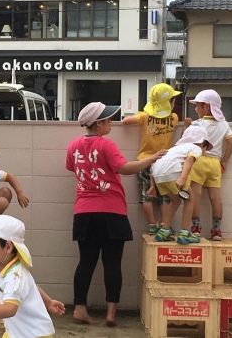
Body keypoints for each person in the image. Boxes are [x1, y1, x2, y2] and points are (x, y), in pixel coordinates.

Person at [66, 102, 167, 326]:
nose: (112, 124)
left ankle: (79, 309)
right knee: (112, 264)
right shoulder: (106, 145)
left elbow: (71, 168)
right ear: (98, 123)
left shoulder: (73, 145)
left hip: (84, 212)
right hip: (112, 211)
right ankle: (111, 313)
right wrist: (151, 159)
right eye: (109, 120)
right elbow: (124, 168)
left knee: (86, 262)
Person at [123, 84, 186, 235]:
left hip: (145, 160)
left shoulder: (145, 117)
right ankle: (165, 223)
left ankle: (152, 223)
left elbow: (125, 121)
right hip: (166, 162)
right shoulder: (174, 118)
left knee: (146, 195)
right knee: (165, 196)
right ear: (168, 103)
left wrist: (142, 113)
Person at [148, 126, 212, 244]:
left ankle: (164, 231)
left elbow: (154, 164)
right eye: (206, 147)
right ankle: (184, 233)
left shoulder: (175, 149)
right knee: (190, 199)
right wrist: (182, 178)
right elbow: (189, 160)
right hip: (174, 173)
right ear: (203, 143)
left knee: (176, 201)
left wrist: (152, 186)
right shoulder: (195, 148)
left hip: (158, 176)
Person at [188, 89, 232, 241]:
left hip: (199, 160)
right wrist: (224, 160)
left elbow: (188, 141)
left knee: (195, 195)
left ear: (206, 107)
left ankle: (195, 228)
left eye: (198, 106)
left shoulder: (197, 124)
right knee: (216, 198)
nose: (195, 109)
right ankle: (216, 230)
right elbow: (231, 143)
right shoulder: (223, 124)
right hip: (215, 164)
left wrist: (186, 126)